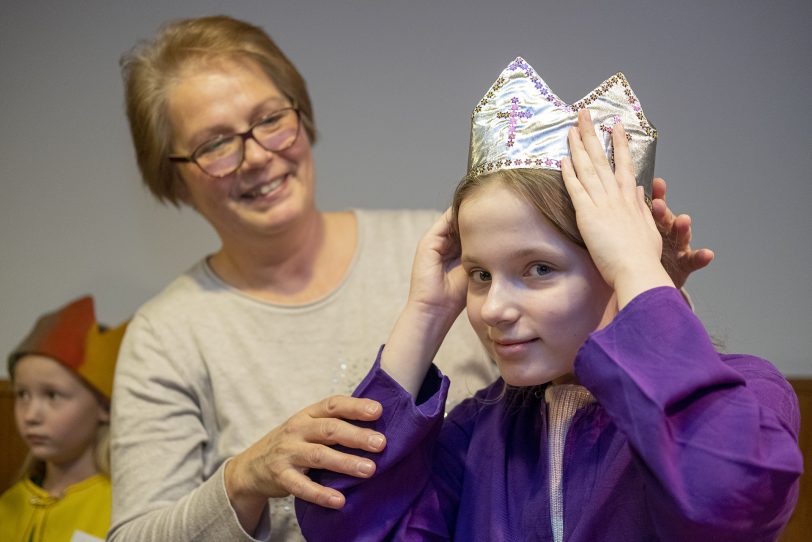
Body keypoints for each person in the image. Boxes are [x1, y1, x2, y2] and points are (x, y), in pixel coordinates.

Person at [110, 17, 711, 542]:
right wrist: (244, 476)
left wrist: (649, 289)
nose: (258, 154)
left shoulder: (447, 251)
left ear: (302, 117)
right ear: (173, 177)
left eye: (271, 119)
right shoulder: (167, 335)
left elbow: (594, 368)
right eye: (215, 144)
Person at [295, 58, 803, 541]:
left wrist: (643, 277)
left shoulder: (753, 392)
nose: (493, 309)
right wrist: (424, 316)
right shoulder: (480, 432)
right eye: (480, 274)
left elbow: (727, 500)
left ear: (616, 263)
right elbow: (344, 524)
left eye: (539, 269)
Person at [0, 296, 128, 542]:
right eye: (22, 395)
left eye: (53, 395)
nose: (31, 415)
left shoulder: (121, 510)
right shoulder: (8, 506)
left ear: (103, 405)